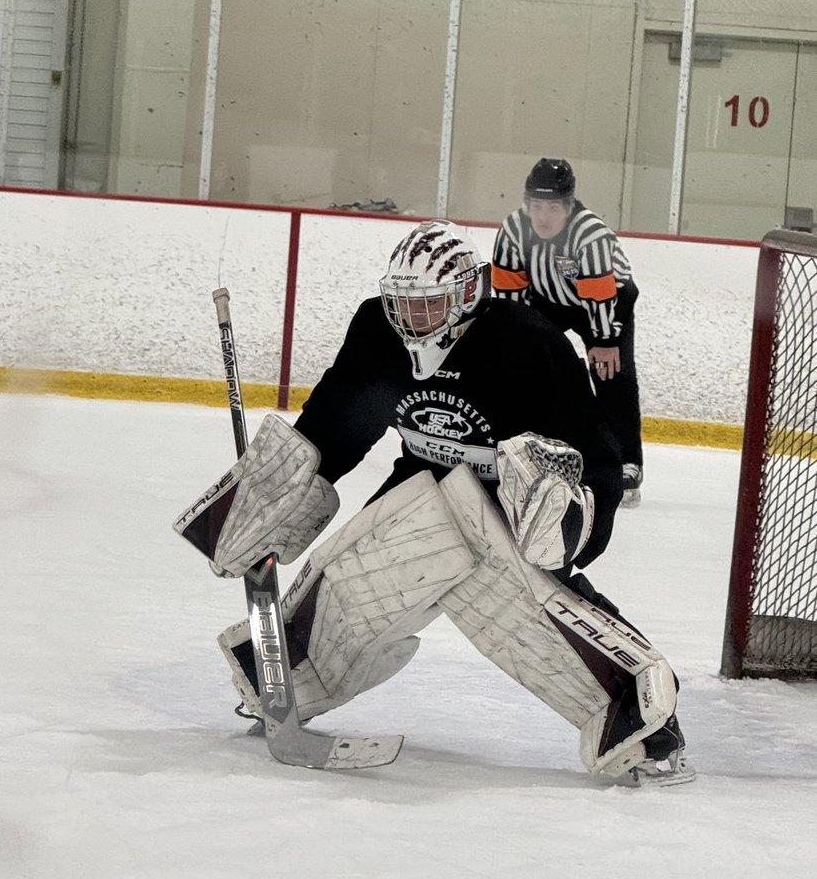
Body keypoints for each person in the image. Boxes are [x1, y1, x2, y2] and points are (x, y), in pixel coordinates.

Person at [175, 220, 692, 784]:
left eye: (426, 305)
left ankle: (641, 721)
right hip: (421, 477)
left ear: (468, 293)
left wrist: (576, 522)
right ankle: (287, 683)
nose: (409, 320)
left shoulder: (526, 342)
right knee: (352, 579)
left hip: (507, 499)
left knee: (519, 607)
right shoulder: (379, 331)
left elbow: (594, 452)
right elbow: (337, 424)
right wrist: (270, 500)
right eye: (401, 304)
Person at [493, 158, 644, 506]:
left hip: (609, 301)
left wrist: (604, 341)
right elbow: (508, 296)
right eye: (536, 206)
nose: (543, 216)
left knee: (612, 375)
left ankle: (627, 461)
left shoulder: (590, 232)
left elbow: (600, 293)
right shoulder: (514, 228)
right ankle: (531, 449)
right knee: (527, 368)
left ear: (569, 204)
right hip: (547, 300)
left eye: (553, 207)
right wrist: (515, 344)